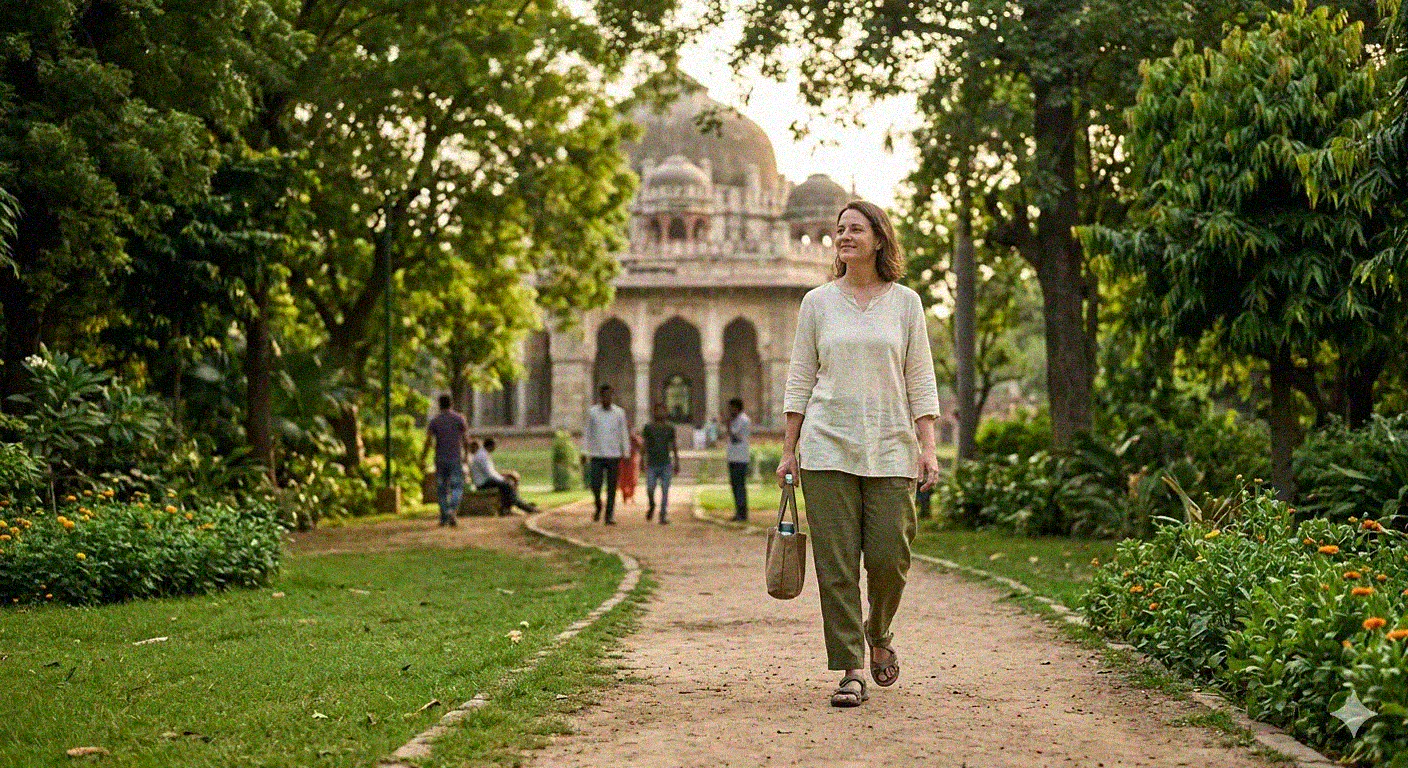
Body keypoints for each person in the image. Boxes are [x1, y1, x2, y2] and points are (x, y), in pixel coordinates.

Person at [778, 200, 941, 709]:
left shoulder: (906, 303)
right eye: (839, 230)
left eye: (856, 229)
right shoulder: (817, 303)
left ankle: (880, 630)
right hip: (828, 447)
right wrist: (789, 450)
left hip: (891, 446)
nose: (844, 236)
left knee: (891, 556)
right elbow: (801, 378)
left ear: (878, 239)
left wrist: (928, 445)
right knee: (837, 565)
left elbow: (920, 378)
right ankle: (850, 668)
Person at [420, 394, 471, 527]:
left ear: (439, 404)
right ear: (451, 404)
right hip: (455, 457)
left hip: (440, 458)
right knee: (457, 487)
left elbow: (428, 441)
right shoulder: (459, 419)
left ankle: (444, 517)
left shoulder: (435, 421)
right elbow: (466, 439)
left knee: (442, 489)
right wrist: (466, 455)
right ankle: (452, 510)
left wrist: (423, 457)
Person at [583, 383, 630, 524]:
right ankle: (598, 505)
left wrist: (626, 453)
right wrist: (584, 451)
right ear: (601, 396)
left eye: (609, 395)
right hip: (597, 454)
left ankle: (609, 515)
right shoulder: (593, 412)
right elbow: (587, 433)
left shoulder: (619, 413)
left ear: (612, 396)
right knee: (595, 485)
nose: (607, 398)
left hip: (614, 455)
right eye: (605, 396)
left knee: (611, 487)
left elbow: (623, 433)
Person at [470, 438, 539, 515]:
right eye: (494, 446)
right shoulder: (482, 456)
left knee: (507, 485)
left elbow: (491, 472)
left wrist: (502, 478)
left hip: (486, 480)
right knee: (507, 485)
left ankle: (511, 506)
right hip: (482, 483)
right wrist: (502, 479)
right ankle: (523, 506)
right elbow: (489, 473)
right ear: (490, 446)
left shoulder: (483, 454)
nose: (495, 448)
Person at [641, 402, 680, 523]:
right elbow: (645, 444)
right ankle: (652, 505)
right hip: (652, 463)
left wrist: (676, 461)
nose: (660, 413)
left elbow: (673, 446)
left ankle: (663, 514)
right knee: (650, 488)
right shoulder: (648, 427)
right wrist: (642, 460)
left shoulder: (669, 428)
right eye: (658, 410)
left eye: (662, 410)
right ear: (654, 412)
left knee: (665, 490)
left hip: (665, 463)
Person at [724, 398, 752, 522]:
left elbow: (734, 434)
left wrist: (728, 424)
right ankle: (738, 512)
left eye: (732, 408)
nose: (730, 410)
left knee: (740, 486)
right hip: (733, 457)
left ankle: (742, 513)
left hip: (741, 458)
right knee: (735, 486)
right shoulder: (736, 420)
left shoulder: (743, 420)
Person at [618, 433, 642, 506]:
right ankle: (624, 496)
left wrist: (635, 437)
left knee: (633, 478)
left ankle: (631, 495)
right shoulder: (620, 436)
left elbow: (640, 445)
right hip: (622, 458)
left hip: (633, 458)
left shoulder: (634, 436)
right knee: (623, 477)